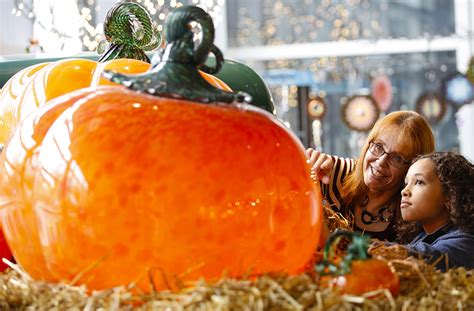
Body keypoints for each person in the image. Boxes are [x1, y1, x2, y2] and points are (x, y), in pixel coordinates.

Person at [307, 111, 435, 241]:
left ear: (412, 168)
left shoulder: (414, 212)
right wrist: (308, 164)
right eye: (378, 146)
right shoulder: (335, 172)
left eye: (397, 158)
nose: (380, 162)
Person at [398, 152, 474, 271]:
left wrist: (363, 246)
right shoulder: (421, 236)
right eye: (406, 183)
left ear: (450, 195)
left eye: (419, 182)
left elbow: (429, 256)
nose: (404, 191)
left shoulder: (465, 243)